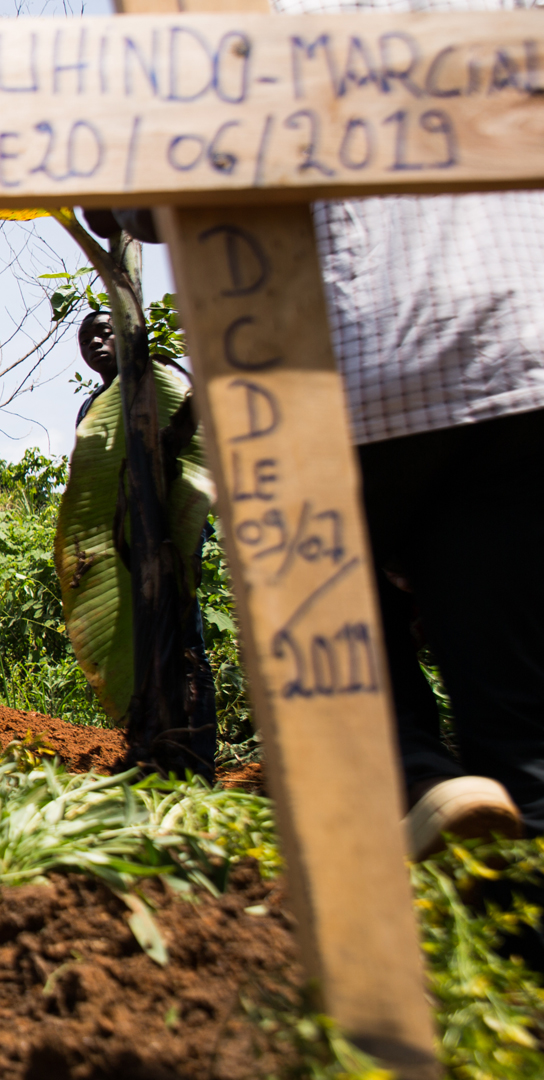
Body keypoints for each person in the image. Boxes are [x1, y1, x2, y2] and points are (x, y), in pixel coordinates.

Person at [263, 0, 543, 865]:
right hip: (520, 350)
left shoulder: (266, 21)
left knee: (324, 619)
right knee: (515, 680)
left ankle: (419, 776)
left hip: (360, 369)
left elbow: (168, 196)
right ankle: (521, 905)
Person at [75, 311, 117, 426]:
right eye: (85, 341)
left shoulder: (152, 388)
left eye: (105, 333)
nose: (94, 342)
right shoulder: (87, 410)